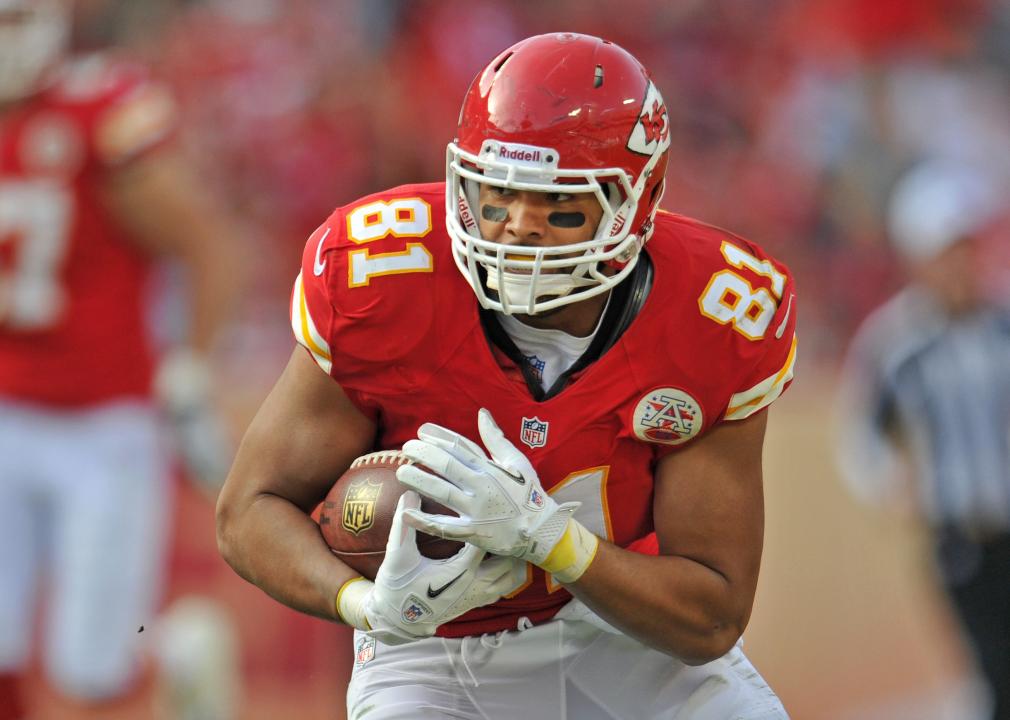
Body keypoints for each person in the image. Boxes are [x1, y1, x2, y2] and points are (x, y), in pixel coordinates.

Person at [217, 32, 797, 719]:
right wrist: (365, 604)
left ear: (640, 199)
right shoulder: (383, 277)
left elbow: (711, 615)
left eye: (558, 206)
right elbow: (248, 511)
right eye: (497, 196)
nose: (518, 228)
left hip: (616, 628)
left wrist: (552, 540)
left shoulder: (714, 310)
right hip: (431, 648)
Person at [0, 0, 241, 717]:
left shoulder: (98, 113)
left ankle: (179, 657)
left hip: (103, 418)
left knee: (91, 665)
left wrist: (190, 371)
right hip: (5, 407)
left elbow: (211, 246)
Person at [835, 159, 1010, 720]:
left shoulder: (1003, 324)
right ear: (919, 261)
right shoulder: (898, 344)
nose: (960, 266)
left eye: (965, 249)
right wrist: (890, 485)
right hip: (960, 536)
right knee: (996, 670)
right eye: (945, 253)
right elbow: (861, 432)